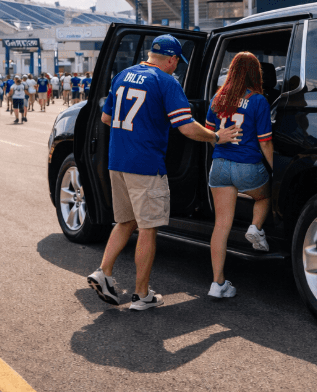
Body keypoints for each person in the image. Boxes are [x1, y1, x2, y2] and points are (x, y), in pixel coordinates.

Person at [87, 35, 241, 311]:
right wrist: (216, 137)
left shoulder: (123, 74)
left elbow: (106, 118)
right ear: (170, 59)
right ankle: (141, 295)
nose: (176, 68)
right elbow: (186, 127)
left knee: (125, 222)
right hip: (146, 166)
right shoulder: (166, 82)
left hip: (117, 162)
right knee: (148, 228)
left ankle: (103, 272)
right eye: (176, 63)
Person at [204, 52, 274, 299]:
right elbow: (265, 143)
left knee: (221, 226)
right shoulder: (259, 101)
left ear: (232, 71)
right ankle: (255, 228)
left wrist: (223, 150)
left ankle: (217, 283)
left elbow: (210, 134)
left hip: (220, 165)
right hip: (248, 166)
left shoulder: (218, 98)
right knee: (264, 196)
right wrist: (275, 169)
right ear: (256, 74)